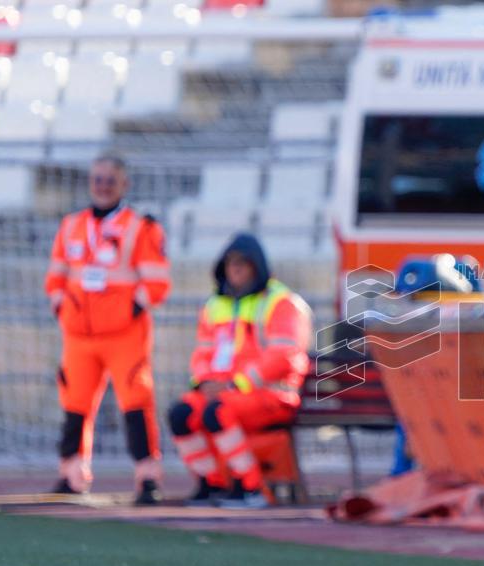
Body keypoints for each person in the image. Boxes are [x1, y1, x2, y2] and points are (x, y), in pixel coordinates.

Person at [43, 154, 171, 505]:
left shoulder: (141, 227)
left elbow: (157, 282)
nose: (102, 186)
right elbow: (55, 276)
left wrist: (128, 310)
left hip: (124, 335)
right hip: (78, 336)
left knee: (136, 403)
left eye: (110, 180)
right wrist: (62, 307)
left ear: (123, 184)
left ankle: (147, 478)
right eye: (97, 179)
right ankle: (71, 474)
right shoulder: (71, 225)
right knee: (74, 404)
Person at [167, 233, 312, 509]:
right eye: (230, 263)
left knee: (218, 411)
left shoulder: (281, 302)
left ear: (257, 266)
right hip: (226, 392)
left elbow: (284, 356)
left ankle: (250, 487)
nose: (235, 269)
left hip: (271, 395)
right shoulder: (215, 305)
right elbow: (203, 354)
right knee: (182, 414)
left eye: (242, 263)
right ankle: (212, 483)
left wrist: (236, 384)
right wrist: (204, 383)